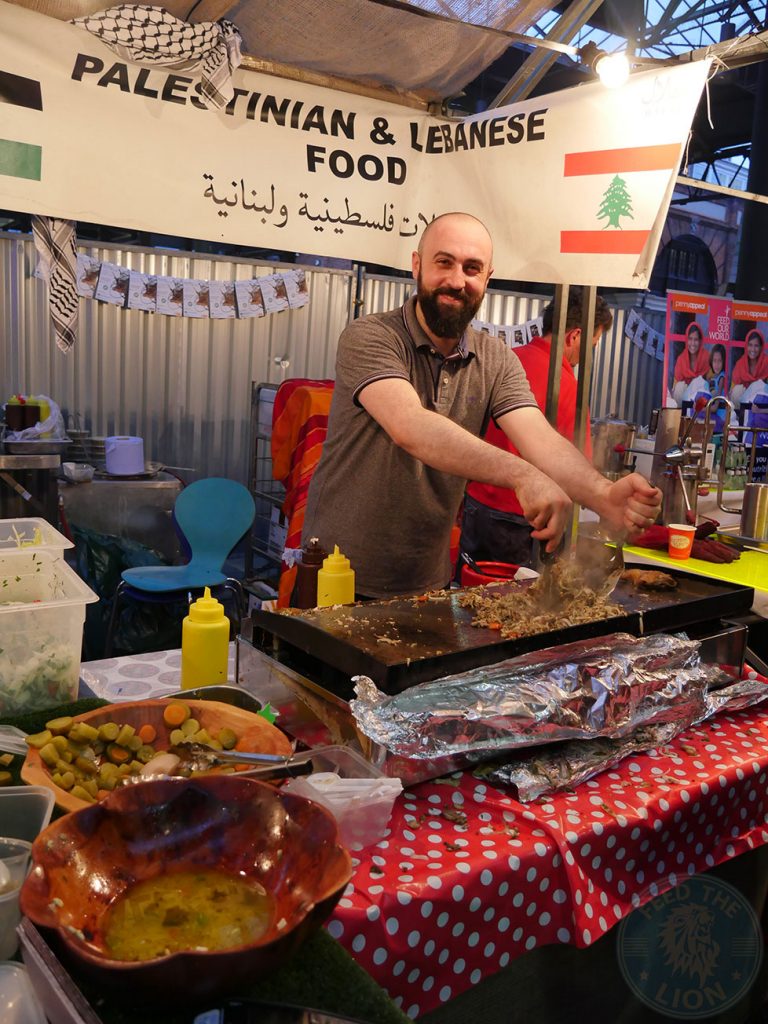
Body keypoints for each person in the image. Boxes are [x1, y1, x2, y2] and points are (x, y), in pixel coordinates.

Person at [301, 212, 662, 599]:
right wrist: (524, 476)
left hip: (428, 585)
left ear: (487, 278)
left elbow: (539, 437)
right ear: (417, 266)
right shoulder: (371, 336)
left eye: (472, 268)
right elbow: (410, 426)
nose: (457, 281)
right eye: (444, 262)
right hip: (336, 575)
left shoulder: (496, 359)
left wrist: (603, 494)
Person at [459, 288, 612, 570]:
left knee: (467, 596)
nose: (589, 353)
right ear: (574, 336)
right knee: (512, 606)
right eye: (592, 344)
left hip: (475, 507)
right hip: (522, 521)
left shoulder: (506, 362)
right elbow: (577, 471)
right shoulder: (567, 388)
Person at [672, 323, 710, 404]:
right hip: (684, 401)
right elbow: (675, 387)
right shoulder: (681, 359)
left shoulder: (707, 357)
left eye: (696, 339)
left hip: (701, 398)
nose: (692, 343)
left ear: (700, 341)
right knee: (679, 387)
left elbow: (711, 382)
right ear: (686, 340)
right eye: (690, 339)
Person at [730, 329, 768, 406]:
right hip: (742, 406)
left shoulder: (766, 362)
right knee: (737, 391)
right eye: (750, 345)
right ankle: (740, 416)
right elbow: (733, 390)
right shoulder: (740, 364)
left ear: (761, 347)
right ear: (746, 346)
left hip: (760, 405)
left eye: (756, 346)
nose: (753, 349)